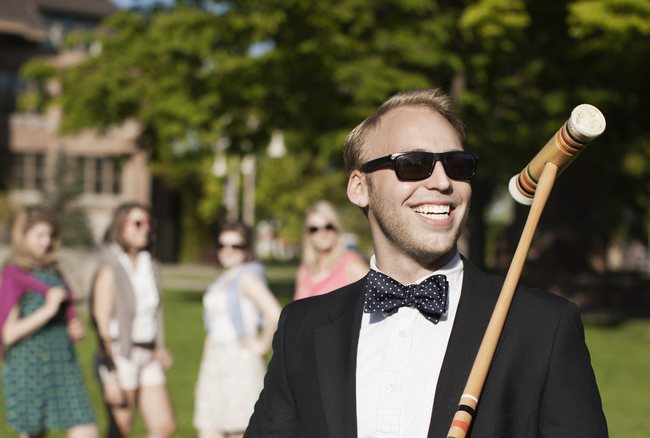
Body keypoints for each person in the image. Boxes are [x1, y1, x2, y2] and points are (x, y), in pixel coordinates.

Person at [245, 88, 607, 437]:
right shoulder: (301, 330)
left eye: (458, 164)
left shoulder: (543, 327)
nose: (442, 181)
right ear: (359, 187)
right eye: (413, 164)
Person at [0, 205, 98, 438]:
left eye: (50, 235)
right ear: (23, 236)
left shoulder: (53, 271)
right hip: (29, 364)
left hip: (63, 361)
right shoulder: (14, 274)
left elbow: (65, 312)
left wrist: (73, 326)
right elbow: (8, 334)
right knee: (35, 434)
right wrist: (48, 310)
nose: (46, 242)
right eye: (39, 235)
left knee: (86, 429)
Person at [90, 202, 176, 438]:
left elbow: (153, 313)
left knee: (164, 426)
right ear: (121, 226)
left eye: (149, 223)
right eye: (138, 223)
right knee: (121, 429)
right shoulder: (110, 266)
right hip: (120, 355)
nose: (145, 229)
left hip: (148, 355)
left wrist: (158, 347)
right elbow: (101, 322)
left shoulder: (151, 264)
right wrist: (110, 375)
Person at [194, 221, 282, 438]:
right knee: (208, 429)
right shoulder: (222, 280)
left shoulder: (248, 277)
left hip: (239, 363)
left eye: (236, 246)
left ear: (247, 249)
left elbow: (275, 313)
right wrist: (202, 375)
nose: (228, 251)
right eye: (222, 245)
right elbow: (212, 330)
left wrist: (261, 345)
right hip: (215, 361)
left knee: (238, 431)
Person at [294, 200, 369, 301]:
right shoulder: (304, 270)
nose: (322, 233)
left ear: (337, 228)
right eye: (314, 229)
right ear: (307, 234)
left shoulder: (352, 265)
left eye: (328, 227)